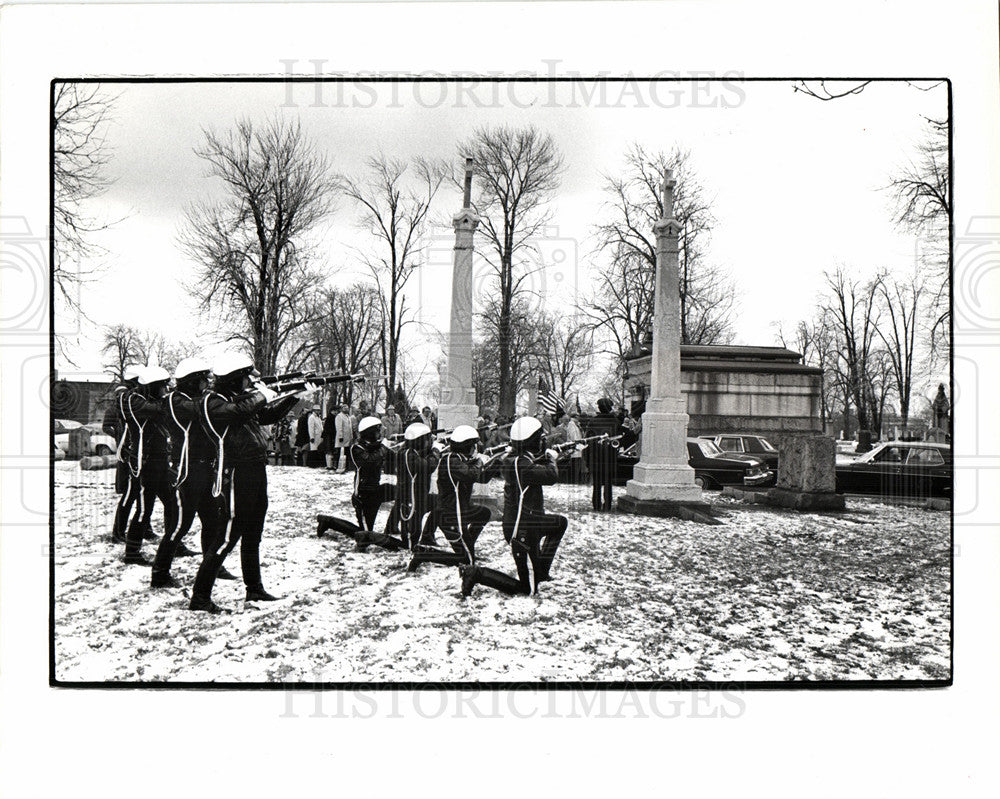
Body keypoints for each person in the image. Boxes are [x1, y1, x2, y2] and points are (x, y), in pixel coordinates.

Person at [188, 353, 302, 613]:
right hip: (236, 472)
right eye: (246, 378)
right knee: (227, 536)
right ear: (234, 379)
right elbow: (241, 410)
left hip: (254, 469)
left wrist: (295, 395)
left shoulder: (237, 400)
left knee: (253, 533)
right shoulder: (213, 402)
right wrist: (263, 392)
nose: (250, 382)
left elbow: (266, 416)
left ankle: (254, 588)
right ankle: (200, 596)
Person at [459, 416, 567, 598]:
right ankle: (476, 573)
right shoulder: (520, 463)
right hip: (522, 530)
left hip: (527, 521)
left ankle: (540, 571)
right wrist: (551, 458)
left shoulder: (516, 459)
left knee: (559, 523)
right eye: (540, 439)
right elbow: (550, 476)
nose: (542, 442)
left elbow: (534, 467)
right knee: (528, 590)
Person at [150, 357, 235, 587]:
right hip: (185, 473)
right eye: (203, 380)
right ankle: (159, 573)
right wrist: (223, 395)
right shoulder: (174, 400)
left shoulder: (195, 398)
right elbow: (199, 409)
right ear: (191, 381)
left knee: (213, 522)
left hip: (204, 470)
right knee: (178, 527)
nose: (207, 384)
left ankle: (212, 566)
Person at [408, 425, 499, 572]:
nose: (476, 448)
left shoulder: (460, 459)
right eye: (474, 445)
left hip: (461, 511)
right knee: (467, 561)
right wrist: (479, 462)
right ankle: (424, 554)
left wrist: (497, 461)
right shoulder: (451, 460)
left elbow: (481, 478)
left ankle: (467, 544)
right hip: (450, 515)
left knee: (484, 513)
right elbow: (471, 475)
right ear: (468, 446)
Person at [315, 417, 404, 551]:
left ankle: (392, 526)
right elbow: (369, 462)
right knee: (364, 536)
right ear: (370, 432)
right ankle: (328, 521)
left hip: (377, 490)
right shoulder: (356, 448)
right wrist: (384, 447)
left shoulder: (377, 446)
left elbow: (394, 459)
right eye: (378, 431)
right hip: (363, 495)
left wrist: (404, 446)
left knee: (403, 493)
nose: (380, 434)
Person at [122, 366, 179, 565]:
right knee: (144, 509)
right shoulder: (134, 400)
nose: (166, 390)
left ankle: (174, 544)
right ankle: (132, 552)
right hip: (145, 461)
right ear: (153, 387)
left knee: (172, 503)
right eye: (163, 386)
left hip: (160, 460)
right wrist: (174, 398)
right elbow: (158, 410)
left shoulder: (151, 400)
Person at [104, 363, 143, 543]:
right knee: (130, 493)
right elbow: (109, 426)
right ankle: (118, 532)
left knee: (142, 495)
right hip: (128, 451)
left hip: (138, 451)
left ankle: (144, 527)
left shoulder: (134, 399)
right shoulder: (124, 403)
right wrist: (120, 438)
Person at [395, 422, 444, 552]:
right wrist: (436, 452)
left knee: (440, 504)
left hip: (420, 495)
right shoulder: (407, 454)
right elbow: (427, 466)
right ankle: (411, 547)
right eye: (427, 439)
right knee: (412, 529)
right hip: (411, 497)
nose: (429, 441)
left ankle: (427, 535)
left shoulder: (413, 452)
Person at [584, 397, 621, 511]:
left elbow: (588, 440)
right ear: (609, 408)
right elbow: (620, 439)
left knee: (597, 483)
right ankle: (608, 505)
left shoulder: (593, 421)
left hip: (595, 457)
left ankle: (596, 505)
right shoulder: (615, 421)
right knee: (608, 483)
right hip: (610, 457)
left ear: (599, 408)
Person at [332, 403, 354, 473]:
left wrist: (351, 436)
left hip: (348, 438)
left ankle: (346, 466)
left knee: (347, 452)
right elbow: (339, 427)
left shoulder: (348, 416)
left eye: (347, 408)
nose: (346, 409)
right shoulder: (339, 416)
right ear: (341, 409)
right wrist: (340, 436)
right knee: (339, 452)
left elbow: (350, 428)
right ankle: (336, 466)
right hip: (342, 438)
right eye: (345, 408)